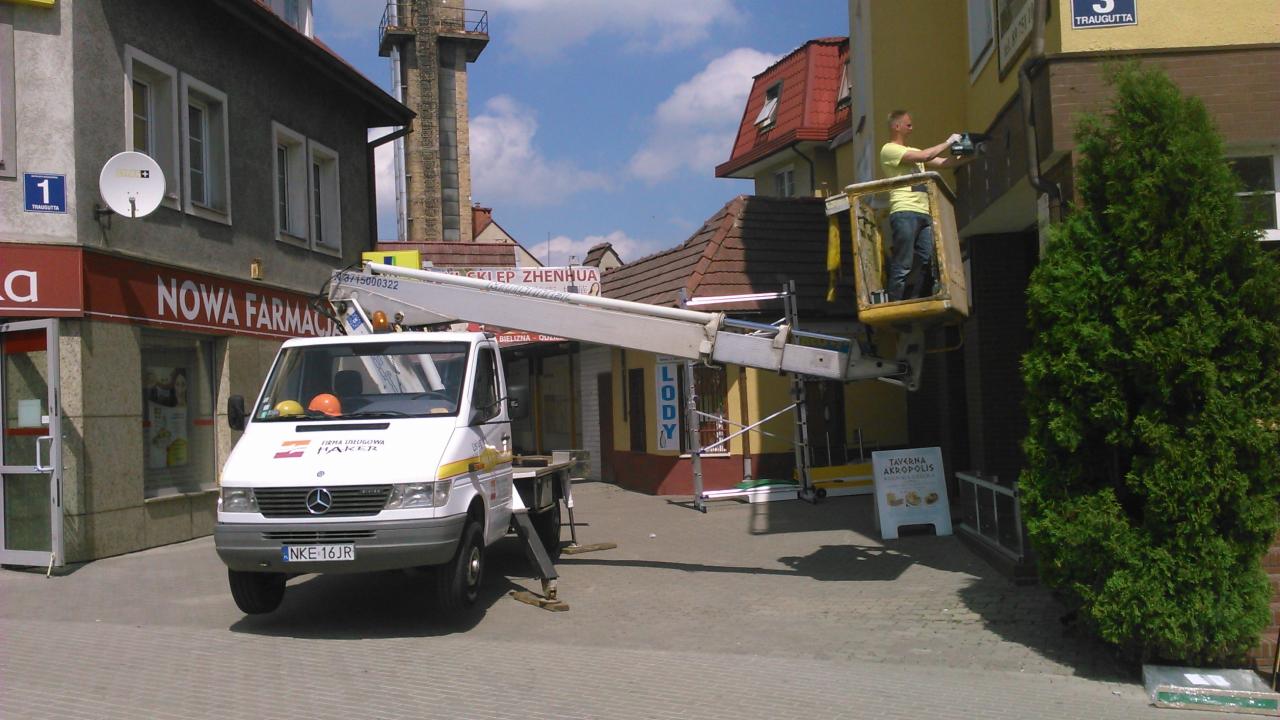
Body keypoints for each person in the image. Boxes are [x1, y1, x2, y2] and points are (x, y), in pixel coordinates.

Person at [880, 110, 965, 301]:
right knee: (904, 263)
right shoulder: (889, 149)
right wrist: (949, 141)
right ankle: (896, 306)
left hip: (924, 213)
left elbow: (943, 162)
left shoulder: (914, 151)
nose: (912, 128)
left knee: (928, 261)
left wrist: (972, 154)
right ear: (897, 126)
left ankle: (920, 301)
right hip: (904, 211)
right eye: (908, 125)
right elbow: (927, 156)